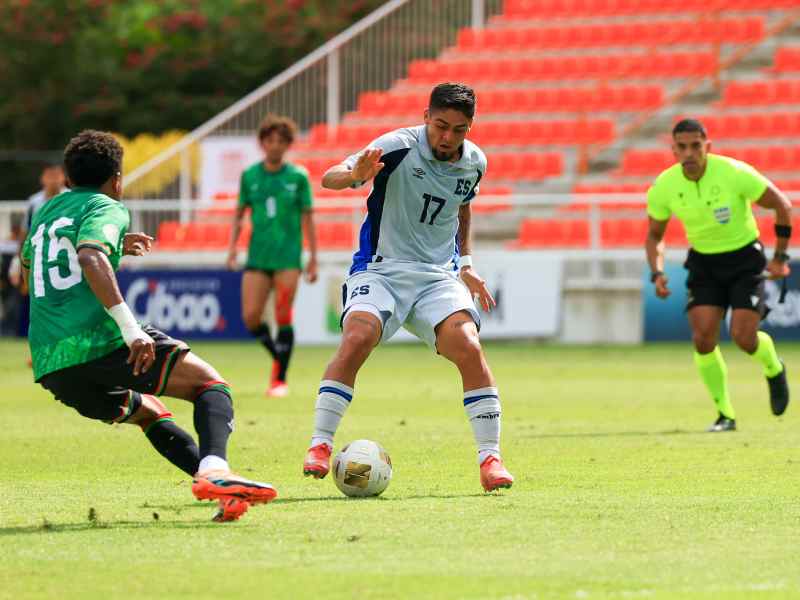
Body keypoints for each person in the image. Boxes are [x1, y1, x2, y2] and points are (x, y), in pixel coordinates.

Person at [21, 130, 277, 522]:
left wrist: (115, 244)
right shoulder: (107, 206)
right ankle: (215, 470)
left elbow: (32, 268)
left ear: (68, 178)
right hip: (99, 340)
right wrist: (130, 329)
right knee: (210, 386)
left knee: (149, 412)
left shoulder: (46, 211)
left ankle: (220, 492)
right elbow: (89, 258)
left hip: (51, 362)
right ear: (117, 180)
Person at [301, 82, 514, 492]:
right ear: (425, 117)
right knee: (358, 336)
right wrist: (355, 176)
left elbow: (462, 207)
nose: (448, 137)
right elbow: (329, 177)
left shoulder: (475, 162)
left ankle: (490, 459)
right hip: (381, 269)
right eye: (440, 126)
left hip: (436, 276)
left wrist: (466, 264)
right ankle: (320, 444)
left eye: (459, 129)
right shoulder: (397, 146)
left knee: (468, 346)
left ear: (470, 127)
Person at [645, 119, 791, 431]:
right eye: (682, 147)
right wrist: (656, 272)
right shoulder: (664, 186)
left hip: (745, 260)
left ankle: (774, 368)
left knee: (743, 337)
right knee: (702, 339)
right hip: (704, 264)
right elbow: (654, 235)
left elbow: (782, 205)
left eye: (695, 146)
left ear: (707, 146)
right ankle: (725, 414)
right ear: (673, 150)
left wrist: (779, 258)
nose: (689, 153)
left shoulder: (734, 173)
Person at [226, 114, 318, 398]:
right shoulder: (250, 175)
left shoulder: (298, 176)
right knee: (251, 317)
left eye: (281, 141)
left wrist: (313, 258)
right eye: (270, 140)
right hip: (258, 256)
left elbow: (308, 218)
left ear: (288, 144)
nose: (275, 145)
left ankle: (279, 380)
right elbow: (239, 214)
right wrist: (232, 248)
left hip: (289, 256)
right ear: (262, 143)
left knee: (283, 314)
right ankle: (279, 355)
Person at [25, 162, 67, 230]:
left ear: (64, 177)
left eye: (56, 176)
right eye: (49, 176)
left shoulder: (73, 198)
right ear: (42, 178)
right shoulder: (34, 201)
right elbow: (27, 227)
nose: (53, 180)